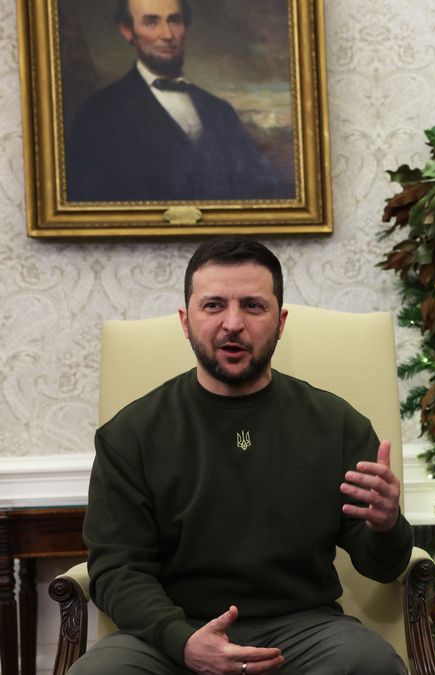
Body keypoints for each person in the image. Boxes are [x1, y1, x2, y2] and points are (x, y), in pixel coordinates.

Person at [69, 237, 413, 675]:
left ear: (281, 320)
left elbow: (382, 567)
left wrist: (385, 526)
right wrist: (183, 642)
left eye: (253, 306)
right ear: (186, 320)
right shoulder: (130, 434)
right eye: (213, 305)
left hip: (303, 629)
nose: (233, 323)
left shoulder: (336, 424)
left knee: (373, 665)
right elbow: (117, 570)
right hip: (173, 632)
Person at [65, 0, 292, 202]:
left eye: (175, 20)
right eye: (151, 22)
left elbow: (261, 189)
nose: (167, 34)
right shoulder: (99, 114)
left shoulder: (220, 111)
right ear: (127, 31)